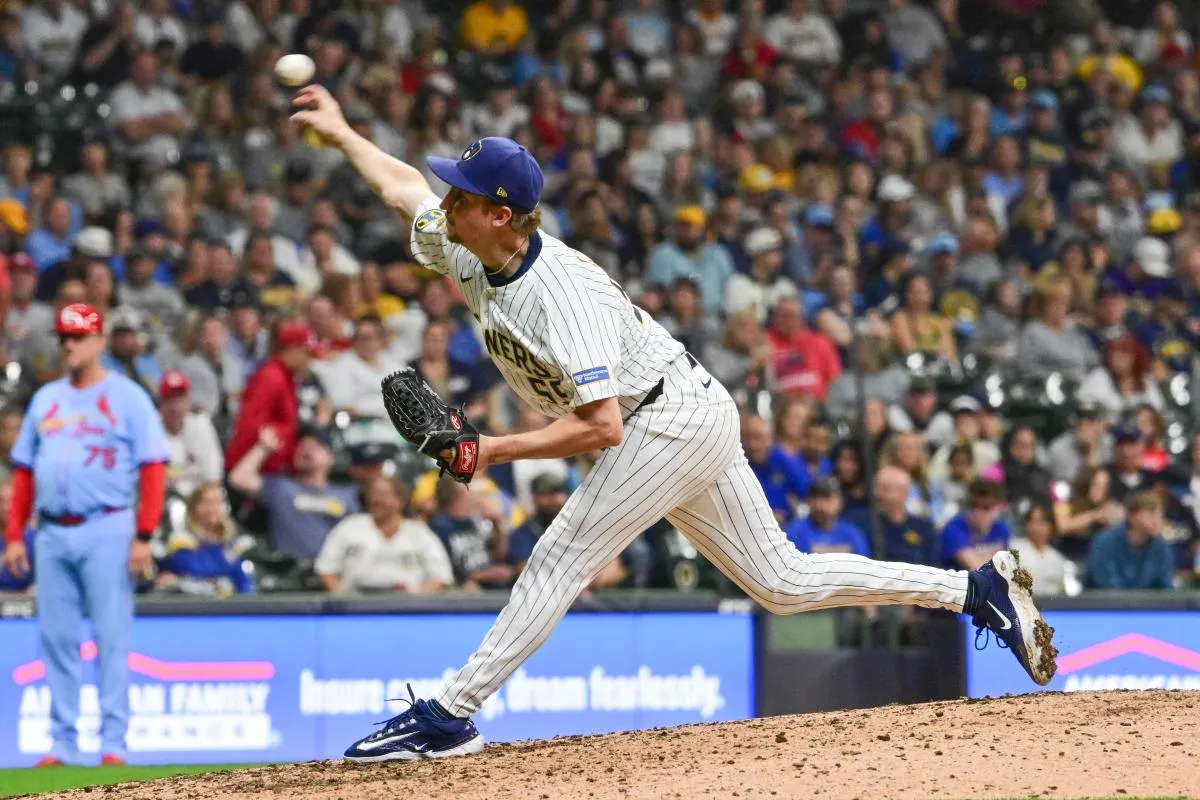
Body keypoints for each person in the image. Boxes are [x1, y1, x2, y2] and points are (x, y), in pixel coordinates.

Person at [289, 85, 1056, 762]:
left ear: (501, 214)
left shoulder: (558, 296)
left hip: (661, 420)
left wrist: (488, 450)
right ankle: (974, 588)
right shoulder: (468, 246)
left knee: (558, 559)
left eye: (460, 193)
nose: (444, 201)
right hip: (685, 405)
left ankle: (448, 715)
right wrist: (344, 131)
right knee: (781, 582)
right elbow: (402, 191)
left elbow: (602, 428)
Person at [1, 303, 168, 766]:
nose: (69, 345)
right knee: (56, 638)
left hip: (108, 525)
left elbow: (153, 467)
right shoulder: (46, 398)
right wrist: (15, 535)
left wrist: (144, 535)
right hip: (52, 531)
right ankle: (63, 743)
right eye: (64, 337)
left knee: (111, 637)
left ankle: (113, 743)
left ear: (98, 341)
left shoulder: (128, 396)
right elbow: (24, 473)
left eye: (78, 337)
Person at [227, 425, 360, 560]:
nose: (306, 449)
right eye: (301, 445)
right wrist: (263, 447)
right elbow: (239, 478)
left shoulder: (347, 495)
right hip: (290, 574)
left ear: (330, 457)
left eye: (316, 445)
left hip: (333, 570)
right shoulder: (280, 488)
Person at [315, 475, 453, 595]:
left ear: (401, 501)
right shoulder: (349, 527)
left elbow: (440, 577)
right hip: (356, 606)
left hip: (406, 608)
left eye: (383, 494)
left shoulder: (419, 533)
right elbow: (326, 569)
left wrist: (418, 603)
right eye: (373, 494)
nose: (376, 499)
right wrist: (342, 601)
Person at [157, 482, 253, 596]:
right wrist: (226, 562)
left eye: (217, 502)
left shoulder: (231, 538)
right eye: (207, 503)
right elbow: (195, 570)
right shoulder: (181, 539)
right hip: (193, 602)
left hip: (227, 604)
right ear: (194, 507)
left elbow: (242, 578)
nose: (213, 508)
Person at [1085, 491, 1174, 590]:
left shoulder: (1161, 546)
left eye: (1160, 515)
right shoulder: (1105, 542)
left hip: (1146, 604)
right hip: (1104, 604)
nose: (1157, 520)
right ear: (1132, 516)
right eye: (1151, 514)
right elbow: (1106, 585)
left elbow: (1166, 587)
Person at [159, 371, 223, 499]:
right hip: (167, 503)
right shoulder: (151, 430)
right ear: (161, 403)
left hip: (200, 502)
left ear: (189, 401)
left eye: (180, 399)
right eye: (170, 400)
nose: (175, 407)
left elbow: (214, 479)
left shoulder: (202, 425)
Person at [785, 477, 871, 557]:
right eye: (814, 498)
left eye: (826, 498)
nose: (819, 504)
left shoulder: (852, 533)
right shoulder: (795, 531)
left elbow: (865, 566)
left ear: (840, 501)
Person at [939, 479, 1012, 570]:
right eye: (973, 505)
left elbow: (1005, 567)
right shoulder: (953, 528)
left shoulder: (1002, 529)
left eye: (986, 507)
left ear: (998, 508)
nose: (977, 512)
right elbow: (977, 569)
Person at [1010, 503, 1069, 597]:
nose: (1037, 527)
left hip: (1050, 608)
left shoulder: (1057, 558)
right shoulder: (1013, 549)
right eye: (1032, 521)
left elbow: (1062, 592)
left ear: (1051, 526)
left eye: (1042, 522)